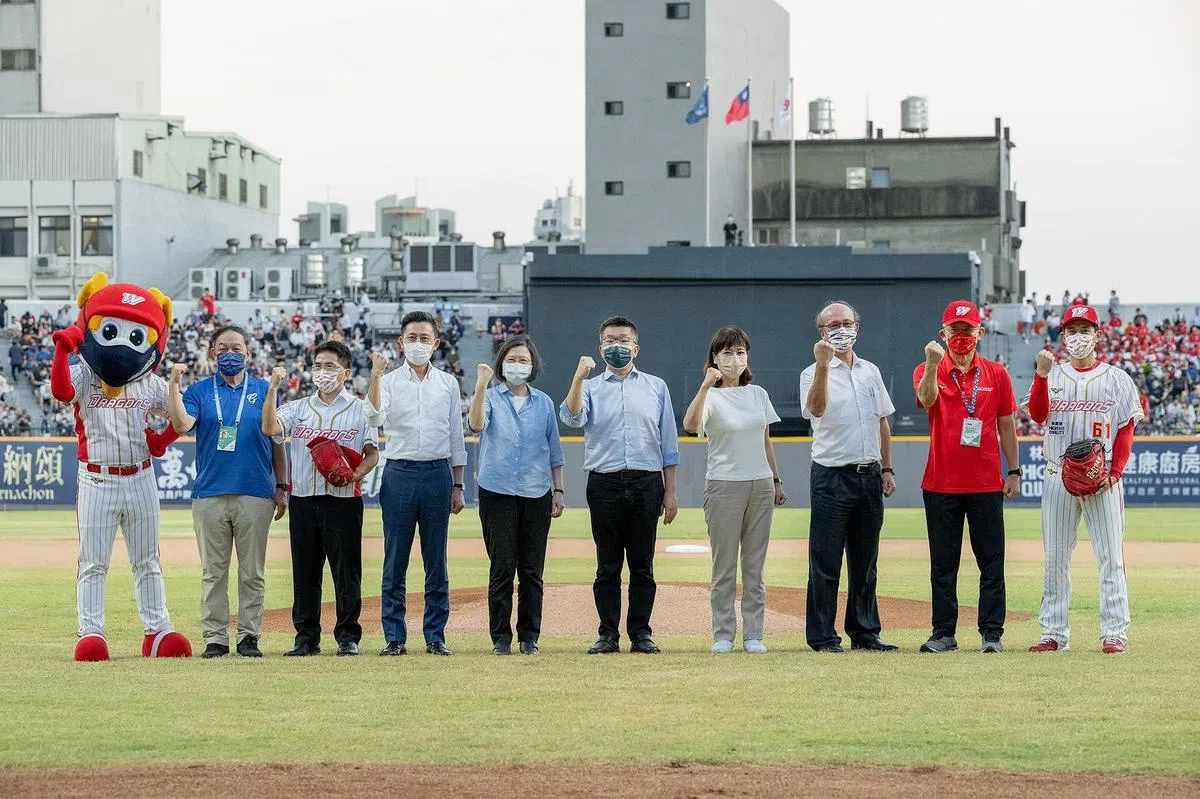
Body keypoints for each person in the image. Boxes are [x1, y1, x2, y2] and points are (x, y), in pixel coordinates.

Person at [1021, 304, 1143, 654]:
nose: (1078, 337)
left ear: (1098, 335)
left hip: (1102, 477)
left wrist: (1115, 473)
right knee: (1056, 557)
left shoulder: (1118, 378)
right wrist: (1041, 376)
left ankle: (1114, 632)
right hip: (1059, 475)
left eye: (1085, 330)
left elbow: (1126, 430)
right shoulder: (1052, 374)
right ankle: (1054, 634)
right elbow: (1041, 415)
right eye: (1072, 331)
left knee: (1111, 557)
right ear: (1063, 337)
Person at [560, 316, 679, 655]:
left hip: (646, 481)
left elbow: (668, 443)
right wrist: (579, 377)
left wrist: (669, 491)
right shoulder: (591, 387)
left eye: (624, 340)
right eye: (610, 340)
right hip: (604, 482)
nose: (617, 345)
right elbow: (571, 418)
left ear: (636, 347)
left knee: (643, 564)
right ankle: (607, 634)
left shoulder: (656, 387)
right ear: (600, 348)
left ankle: (641, 633)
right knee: (607, 565)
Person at [168, 326, 288, 659]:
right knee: (213, 572)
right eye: (223, 348)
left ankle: (249, 636)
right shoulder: (199, 391)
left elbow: (278, 444)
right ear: (212, 355)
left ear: (248, 353)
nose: (230, 353)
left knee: (253, 571)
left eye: (237, 347)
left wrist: (281, 487)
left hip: (256, 493)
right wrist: (173, 386)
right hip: (209, 494)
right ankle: (216, 638)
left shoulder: (265, 390)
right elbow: (180, 425)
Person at [913, 300, 1020, 654]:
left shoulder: (997, 374)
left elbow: (1006, 425)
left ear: (980, 333)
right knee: (943, 564)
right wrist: (932, 365)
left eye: (967, 330)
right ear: (943, 334)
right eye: (954, 331)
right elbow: (926, 400)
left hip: (986, 483)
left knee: (992, 562)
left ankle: (992, 633)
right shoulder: (928, 369)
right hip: (941, 483)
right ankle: (944, 633)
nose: (961, 337)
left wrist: (1014, 470)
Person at [262, 341, 379, 657]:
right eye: (317, 365)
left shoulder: (359, 409)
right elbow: (270, 426)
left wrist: (356, 475)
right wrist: (273, 387)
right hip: (303, 499)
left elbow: (372, 453)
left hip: (343, 500)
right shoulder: (298, 407)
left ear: (345, 372)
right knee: (305, 571)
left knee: (346, 572)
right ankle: (306, 637)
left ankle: (347, 636)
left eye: (329, 366)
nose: (322, 372)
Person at [799, 303, 899, 653]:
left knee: (865, 561)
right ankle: (823, 636)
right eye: (832, 325)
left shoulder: (870, 371)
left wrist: (887, 468)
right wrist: (824, 365)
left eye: (846, 323)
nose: (841, 329)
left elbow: (882, 421)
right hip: (831, 475)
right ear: (821, 334)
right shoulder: (811, 372)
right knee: (825, 560)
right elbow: (816, 409)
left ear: (858, 325)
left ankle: (865, 631)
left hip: (868, 474)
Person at [368, 311, 467, 657]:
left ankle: (435, 635)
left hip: (438, 473)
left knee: (435, 561)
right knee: (395, 559)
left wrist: (458, 484)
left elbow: (456, 434)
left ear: (436, 344)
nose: (418, 344)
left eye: (425, 338)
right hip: (399, 472)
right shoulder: (390, 381)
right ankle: (394, 637)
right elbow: (374, 417)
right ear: (401, 343)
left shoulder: (448, 384)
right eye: (412, 338)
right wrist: (376, 376)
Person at [681, 326, 786, 654]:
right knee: (724, 565)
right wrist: (705, 385)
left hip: (760, 485)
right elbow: (690, 425)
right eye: (728, 352)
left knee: (755, 566)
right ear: (715, 357)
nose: (735, 358)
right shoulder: (710, 396)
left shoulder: (758, 394)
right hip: (724, 485)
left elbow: (765, 440)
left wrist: (776, 480)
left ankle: (753, 634)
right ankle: (723, 634)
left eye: (740, 352)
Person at [467, 335, 565, 656]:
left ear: (533, 365)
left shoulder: (544, 403)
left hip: (537, 492)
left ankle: (529, 637)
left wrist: (559, 489)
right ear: (500, 364)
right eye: (511, 359)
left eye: (523, 360)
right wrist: (481, 385)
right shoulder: (492, 397)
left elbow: (554, 450)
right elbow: (477, 425)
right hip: (497, 492)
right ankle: (500, 638)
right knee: (502, 567)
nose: (517, 365)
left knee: (532, 570)